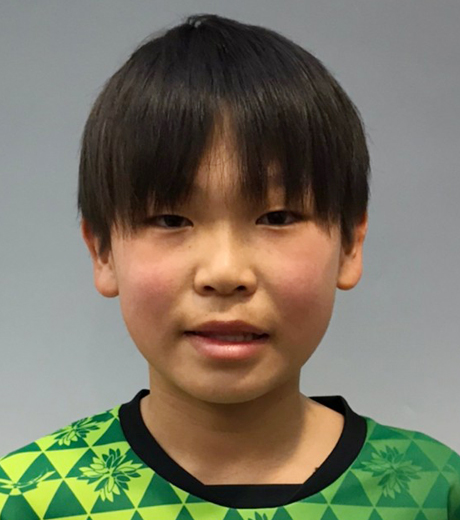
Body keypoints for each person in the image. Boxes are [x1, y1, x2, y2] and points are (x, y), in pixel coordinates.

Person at [1, 13, 459, 519]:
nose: (224, 272)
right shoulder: (29, 498)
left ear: (350, 244)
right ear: (102, 252)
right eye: (170, 219)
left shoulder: (434, 490)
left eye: (277, 217)